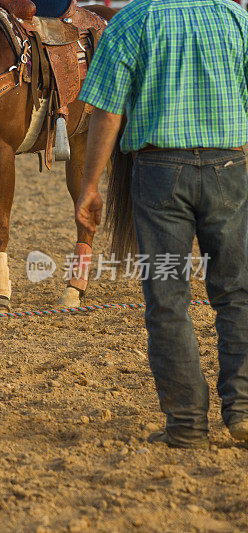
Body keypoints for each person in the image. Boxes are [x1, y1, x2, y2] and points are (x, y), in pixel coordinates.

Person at [75, 0, 248, 448]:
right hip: (228, 166)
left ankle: (188, 424)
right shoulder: (234, 16)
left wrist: (90, 185)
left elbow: (107, 112)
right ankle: (243, 409)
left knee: (167, 300)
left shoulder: (135, 21)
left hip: (159, 175)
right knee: (237, 294)